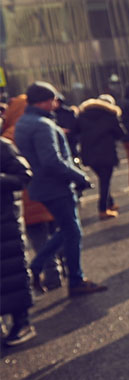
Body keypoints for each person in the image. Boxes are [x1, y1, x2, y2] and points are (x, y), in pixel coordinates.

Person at [12, 82, 108, 298]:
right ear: (45, 101)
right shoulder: (43, 125)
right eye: (53, 99)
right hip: (56, 187)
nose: (56, 103)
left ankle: (40, 266)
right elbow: (52, 161)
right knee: (72, 232)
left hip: (40, 186)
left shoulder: (24, 122)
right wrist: (79, 176)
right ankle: (74, 280)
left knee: (67, 230)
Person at [1, 95, 63, 290]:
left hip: (28, 197)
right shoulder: (40, 126)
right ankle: (61, 271)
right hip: (48, 189)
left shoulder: (10, 135)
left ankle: (52, 275)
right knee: (54, 233)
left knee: (40, 237)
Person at [0, 132, 35, 346]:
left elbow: (24, 176)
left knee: (11, 273)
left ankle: (22, 322)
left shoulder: (3, 146)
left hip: (4, 223)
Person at [76, 94, 125, 220]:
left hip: (89, 154)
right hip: (106, 153)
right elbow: (120, 134)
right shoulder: (110, 115)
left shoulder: (82, 115)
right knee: (105, 181)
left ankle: (110, 203)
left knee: (103, 179)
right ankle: (103, 209)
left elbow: (75, 132)